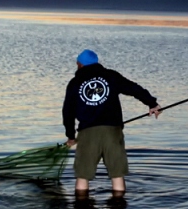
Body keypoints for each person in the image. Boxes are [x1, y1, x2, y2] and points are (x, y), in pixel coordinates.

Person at [62, 49, 160, 195]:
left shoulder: (75, 83)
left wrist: (70, 136)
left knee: (82, 176)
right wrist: (152, 103)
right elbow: (133, 88)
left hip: (88, 133)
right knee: (117, 174)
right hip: (112, 132)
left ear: (80, 64)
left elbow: (67, 112)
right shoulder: (110, 76)